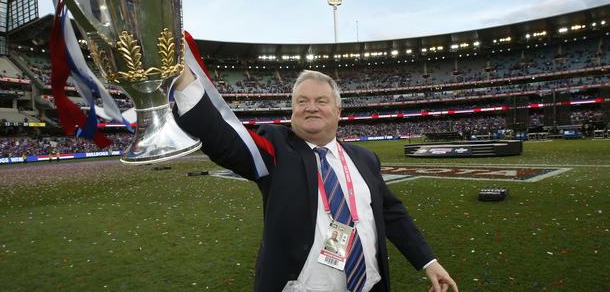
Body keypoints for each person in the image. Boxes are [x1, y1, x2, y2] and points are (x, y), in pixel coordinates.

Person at [173, 68, 457, 292]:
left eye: (321, 101)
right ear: (292, 110)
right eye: (302, 101)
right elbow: (223, 140)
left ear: (338, 111)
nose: (311, 107)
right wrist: (185, 80)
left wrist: (428, 261)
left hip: (369, 286)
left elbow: (390, 212)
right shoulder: (276, 150)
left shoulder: (365, 158)